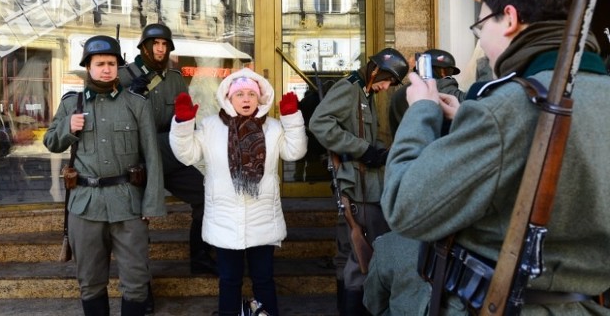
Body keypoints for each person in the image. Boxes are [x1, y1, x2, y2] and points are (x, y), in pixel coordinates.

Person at [381, 0, 610, 314]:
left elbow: (404, 206)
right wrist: (471, 122)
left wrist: (422, 110)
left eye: (481, 26)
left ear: (509, 19)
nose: (483, 41)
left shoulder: (509, 108)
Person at [169, 68, 307, 316]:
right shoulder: (211, 127)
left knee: (263, 280)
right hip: (224, 221)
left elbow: (294, 152)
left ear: (260, 98)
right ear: (228, 98)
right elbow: (187, 154)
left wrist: (292, 118)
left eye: (251, 94)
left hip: (262, 219)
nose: (246, 99)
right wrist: (182, 125)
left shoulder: (273, 128)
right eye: (239, 94)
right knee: (229, 281)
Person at [43, 35, 166, 316]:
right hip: (85, 207)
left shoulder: (136, 104)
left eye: (111, 63)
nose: (106, 69)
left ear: (118, 67)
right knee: (90, 282)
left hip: (129, 206)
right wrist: (68, 129)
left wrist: (151, 204)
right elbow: (51, 142)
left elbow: (152, 157)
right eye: (100, 63)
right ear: (88, 67)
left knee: (136, 282)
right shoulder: (71, 104)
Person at [308, 48, 409, 316]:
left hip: (361, 184)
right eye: (387, 81)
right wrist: (362, 150)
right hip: (357, 187)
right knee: (360, 257)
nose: (386, 88)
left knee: (349, 255)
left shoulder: (364, 92)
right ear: (376, 70)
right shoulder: (349, 88)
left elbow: (365, 136)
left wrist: (381, 152)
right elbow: (319, 124)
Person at [118, 23, 217, 279]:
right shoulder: (124, 76)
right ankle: (140, 285)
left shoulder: (174, 78)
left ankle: (201, 262)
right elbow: (113, 121)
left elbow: (185, 119)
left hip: (170, 155)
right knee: (135, 221)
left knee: (207, 196)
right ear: (144, 47)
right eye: (155, 44)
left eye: (165, 44)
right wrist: (130, 95)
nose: (160, 49)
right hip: (136, 160)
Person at [389, 48, 465, 138]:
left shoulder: (400, 93)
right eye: (448, 72)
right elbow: (471, 103)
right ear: (442, 72)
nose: (448, 76)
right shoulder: (442, 88)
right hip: (431, 149)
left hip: (406, 147)